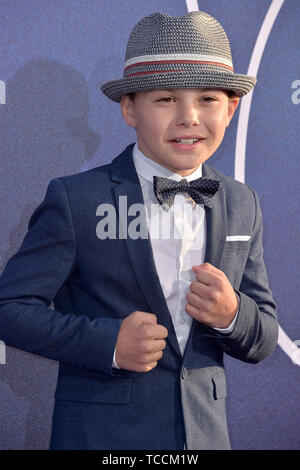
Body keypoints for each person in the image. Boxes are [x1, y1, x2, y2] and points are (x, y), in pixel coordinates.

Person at [0, 11, 278, 450]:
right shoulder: (77, 200)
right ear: (129, 107)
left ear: (232, 107)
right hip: (101, 438)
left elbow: (263, 334)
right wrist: (107, 343)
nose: (189, 118)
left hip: (206, 437)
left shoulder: (242, 201)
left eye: (207, 99)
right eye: (166, 99)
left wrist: (231, 315)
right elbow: (10, 308)